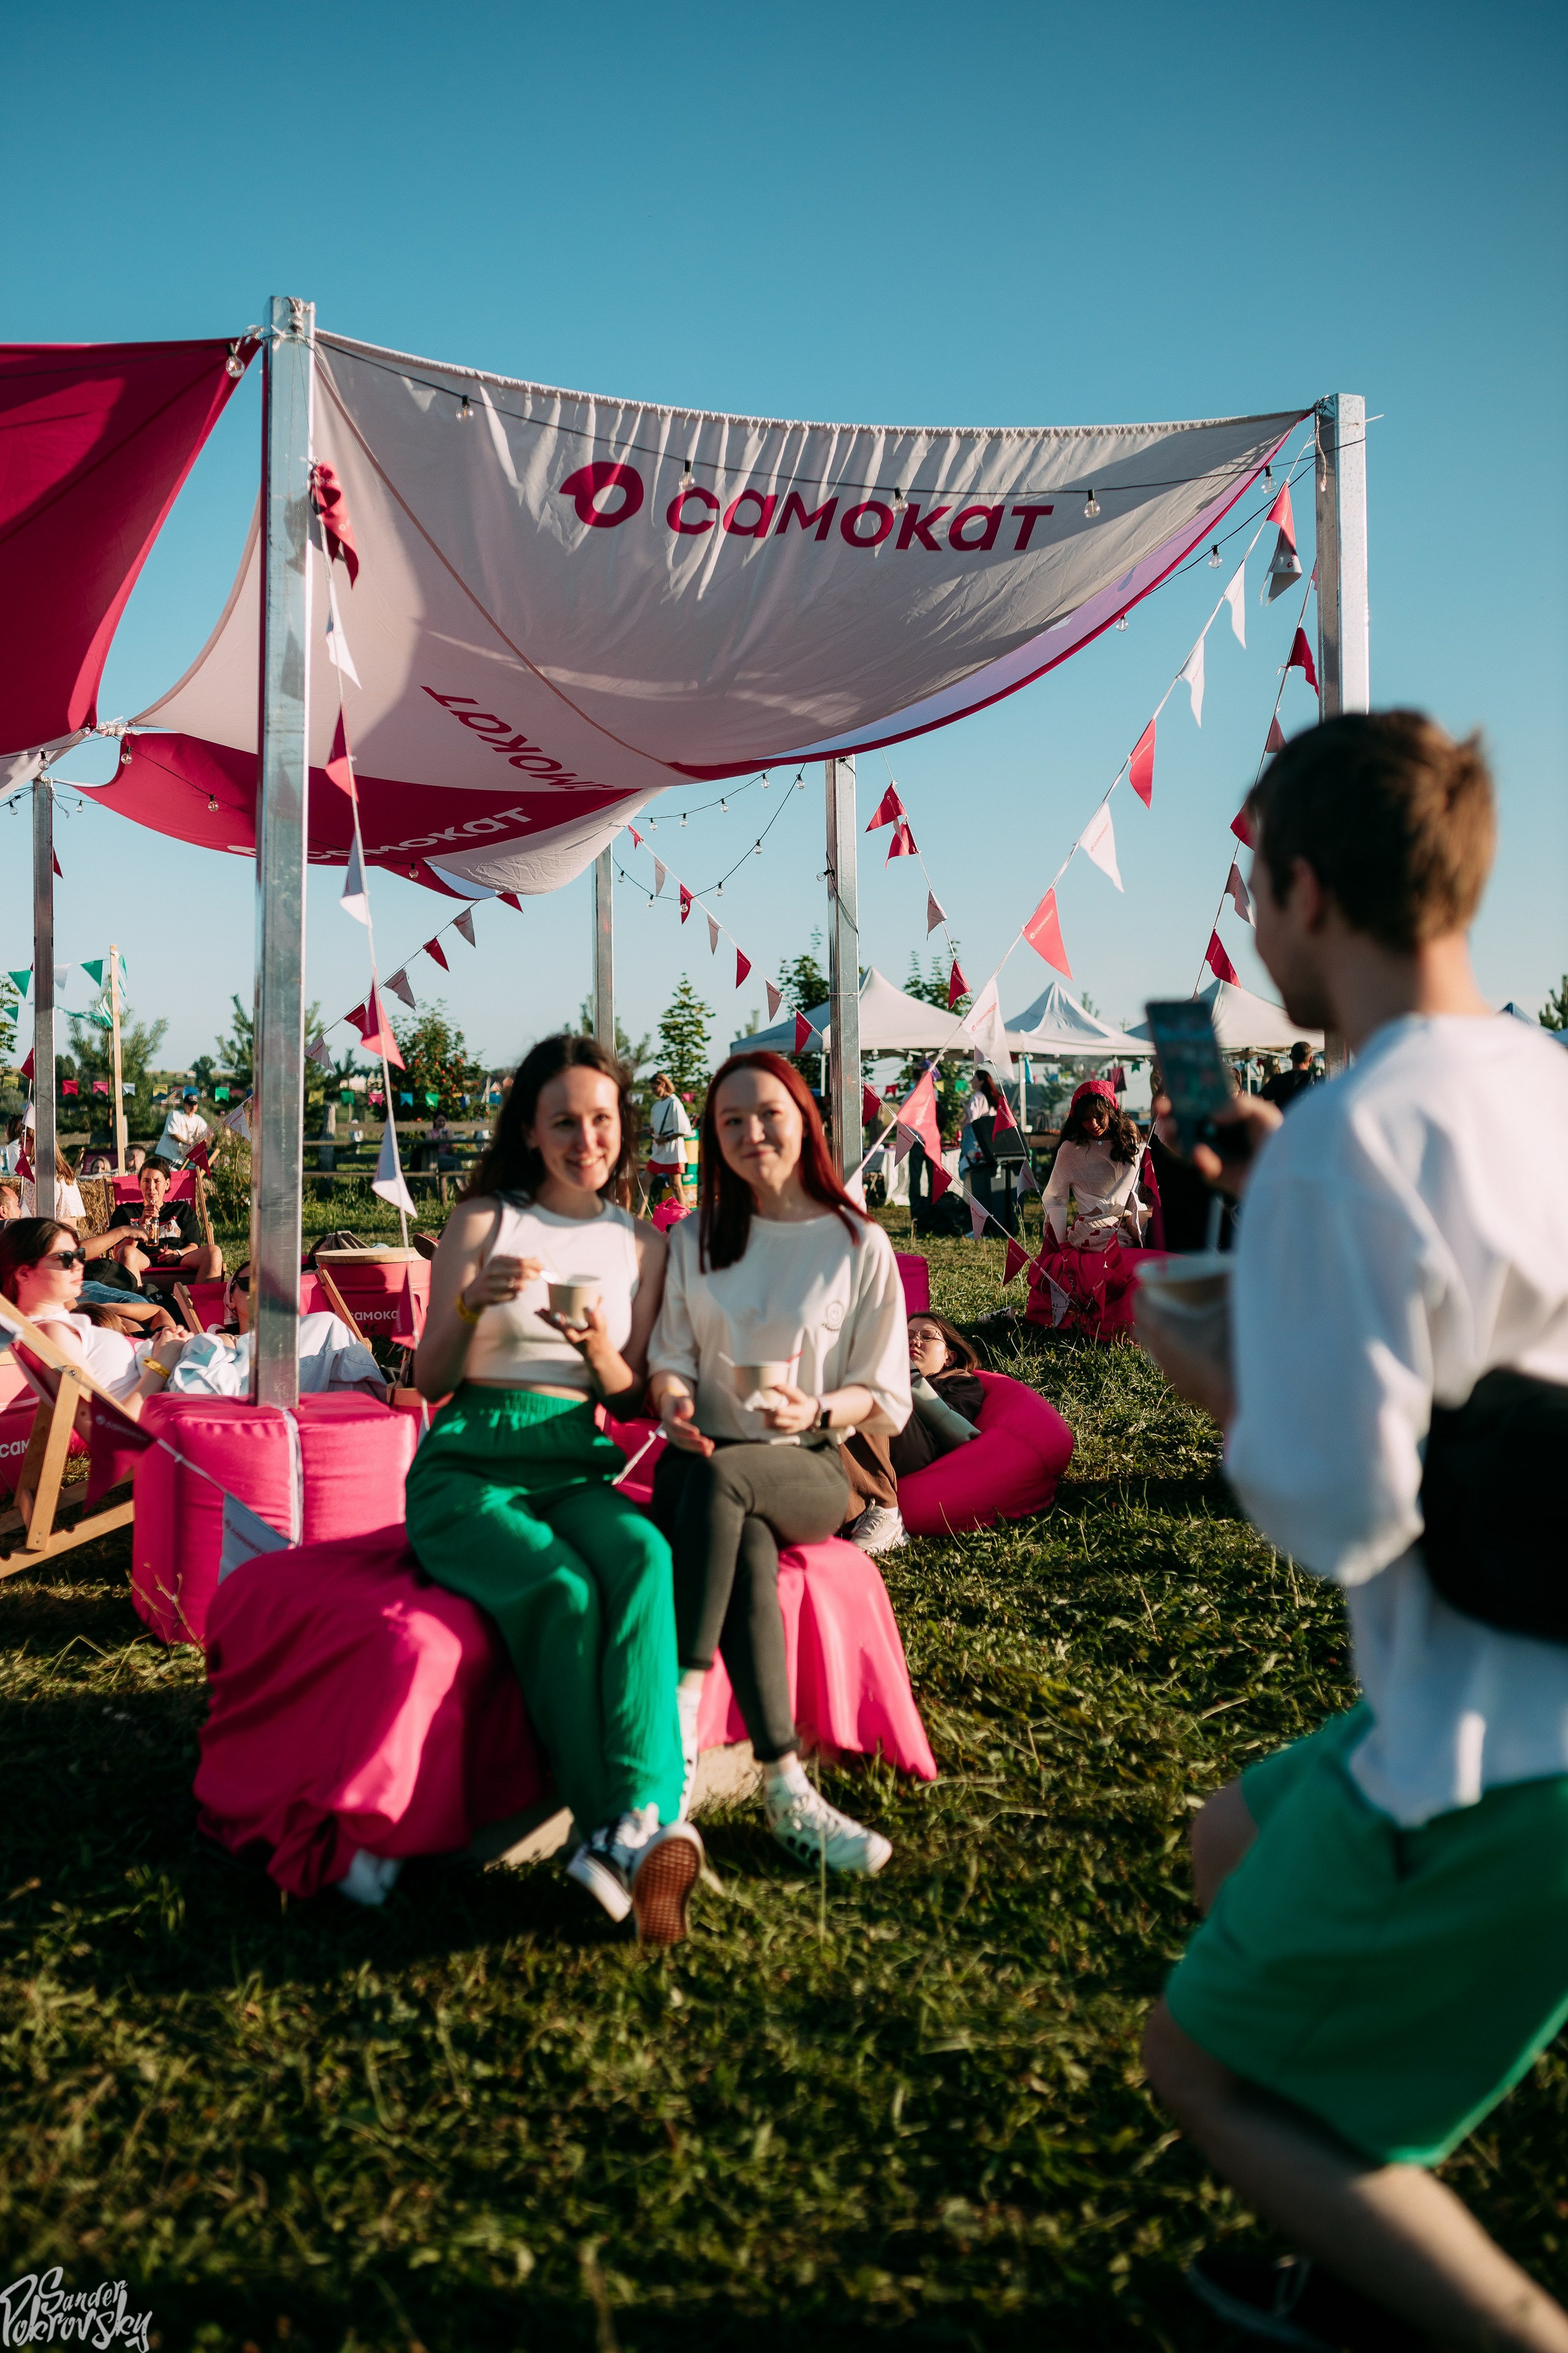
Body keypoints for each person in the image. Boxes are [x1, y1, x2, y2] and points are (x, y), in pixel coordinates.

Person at [1135, 712, 1568, 2351]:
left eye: (1257, 894)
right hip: (1518, 1680)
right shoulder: (1539, 1079)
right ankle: (1371, 2217)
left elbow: (1339, 1509)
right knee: (1228, 1841)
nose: (1255, 931)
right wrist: (1285, 1172)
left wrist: (1226, 1379)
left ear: (1306, 888)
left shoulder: (1352, 1139)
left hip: (1494, 1747)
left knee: (1204, 2068)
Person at [407, 1035, 699, 1946]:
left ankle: (640, 1822)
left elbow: (626, 1396)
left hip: (574, 1457)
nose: (587, 1137)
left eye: (603, 1119)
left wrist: (595, 1348)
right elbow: (428, 1380)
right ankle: (613, 1826)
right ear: (532, 1131)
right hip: (470, 1459)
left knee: (645, 1554)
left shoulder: (641, 1246)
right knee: (563, 1590)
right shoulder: (487, 1220)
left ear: (624, 1126)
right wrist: (469, 1304)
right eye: (565, 1120)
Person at [645, 1049, 910, 1878]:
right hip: (704, 1459)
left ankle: (677, 1730)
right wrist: (674, 1402)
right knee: (740, 1528)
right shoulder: (696, 1237)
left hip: (810, 1461)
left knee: (735, 1484)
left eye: (768, 1114)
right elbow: (669, 1358)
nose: (751, 1132)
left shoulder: (856, 1242)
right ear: (710, 1137)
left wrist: (818, 1409)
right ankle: (788, 1787)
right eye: (730, 1120)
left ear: (805, 1119)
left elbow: (886, 1391)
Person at [0, 1218, 187, 1414]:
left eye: (80, 1255)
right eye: (65, 1258)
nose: (79, 1265)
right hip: (178, 1409)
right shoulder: (52, 1332)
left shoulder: (62, 1323)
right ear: (23, 1274)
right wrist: (163, 1361)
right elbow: (104, 1427)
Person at [1027, 1079, 1151, 1338]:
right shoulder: (1070, 1149)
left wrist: (1097, 1216)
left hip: (1127, 1225)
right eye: (1085, 1119)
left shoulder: (1129, 1140)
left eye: (1098, 1117)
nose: (1092, 1124)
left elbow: (1124, 1192)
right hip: (1084, 1234)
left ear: (1112, 1112)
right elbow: (1054, 1197)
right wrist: (1061, 1243)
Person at [889, 1313, 986, 1477]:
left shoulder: (960, 1381)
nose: (914, 1342)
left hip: (920, 1446)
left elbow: (954, 1428)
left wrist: (910, 1377)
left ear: (949, 1357)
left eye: (927, 1337)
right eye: (907, 1337)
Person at [105, 1160, 222, 1281]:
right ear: (139, 1184)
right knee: (127, 1252)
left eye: (157, 1181)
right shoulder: (125, 1211)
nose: (151, 1187)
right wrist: (141, 1223)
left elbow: (194, 1246)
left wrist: (177, 1254)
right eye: (146, 1181)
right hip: (142, 1261)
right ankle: (138, 1298)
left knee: (214, 1252)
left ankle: (202, 1299)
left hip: (180, 1261)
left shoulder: (181, 1209)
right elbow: (118, 1253)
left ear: (167, 1184)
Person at [646, 1071, 694, 1209]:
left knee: (676, 1185)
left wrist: (666, 1138)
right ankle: (639, 1215)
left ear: (662, 1084)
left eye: (655, 1088)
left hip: (672, 1149)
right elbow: (655, 1128)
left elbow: (684, 1130)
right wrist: (652, 1132)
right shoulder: (656, 1106)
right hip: (659, 1151)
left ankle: (684, 1215)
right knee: (645, 1182)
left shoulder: (674, 1102)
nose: (653, 1092)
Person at [153, 1087, 209, 1169]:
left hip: (180, 1160)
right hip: (165, 1156)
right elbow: (173, 1135)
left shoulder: (199, 1120)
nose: (193, 1107)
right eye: (190, 1104)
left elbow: (207, 1135)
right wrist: (188, 1144)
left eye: (195, 1104)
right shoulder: (175, 1115)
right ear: (184, 1104)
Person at [1260, 1037, 1319, 1110]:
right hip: (1311, 1121)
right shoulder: (1318, 1080)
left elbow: (1259, 1099)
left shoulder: (1278, 1080)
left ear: (1291, 1057)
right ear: (1311, 1059)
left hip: (1285, 1120)